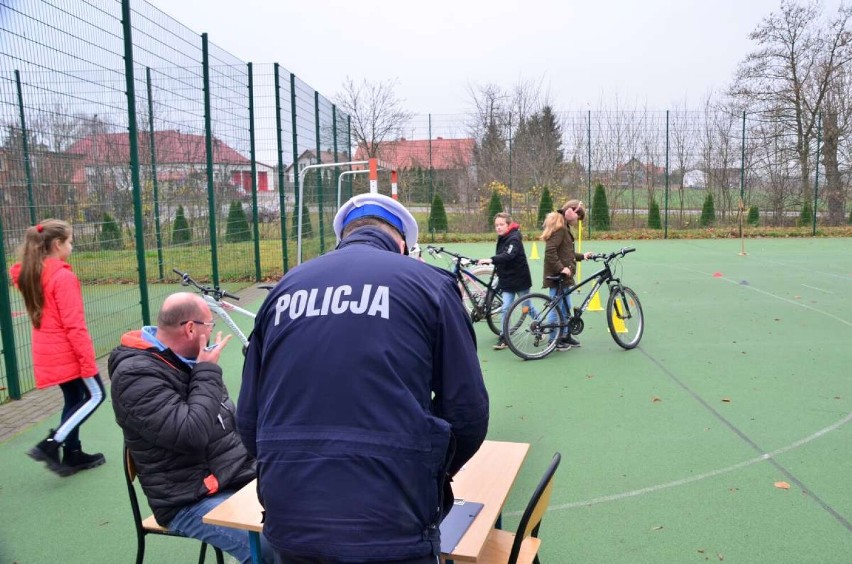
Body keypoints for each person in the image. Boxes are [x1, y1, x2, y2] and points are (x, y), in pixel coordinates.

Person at [238, 192, 490, 564]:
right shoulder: (429, 285)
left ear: (342, 239)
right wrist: (428, 472)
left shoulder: (284, 289)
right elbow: (468, 415)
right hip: (393, 521)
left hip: (290, 520)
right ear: (402, 244)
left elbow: (248, 421)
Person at [109, 292, 273, 564]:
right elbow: (190, 434)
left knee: (302, 519)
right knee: (269, 549)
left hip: (234, 476)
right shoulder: (135, 376)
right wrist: (206, 372)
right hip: (188, 499)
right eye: (210, 326)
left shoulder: (188, 361)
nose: (211, 333)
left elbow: (226, 423)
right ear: (190, 328)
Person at [10, 219, 106, 476]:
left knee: (74, 398)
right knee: (96, 396)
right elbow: (74, 326)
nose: (72, 247)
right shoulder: (62, 277)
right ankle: (52, 444)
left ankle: (73, 454)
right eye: (70, 242)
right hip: (68, 352)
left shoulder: (33, 273)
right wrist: (87, 361)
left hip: (50, 351)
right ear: (57, 245)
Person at [541, 200, 593, 351]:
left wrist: (583, 256)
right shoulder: (561, 229)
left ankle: (564, 335)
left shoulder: (564, 226)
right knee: (556, 307)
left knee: (565, 306)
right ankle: (553, 340)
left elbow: (567, 253)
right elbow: (550, 251)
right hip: (558, 277)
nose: (578, 221)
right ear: (571, 212)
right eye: (578, 216)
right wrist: (561, 268)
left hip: (563, 278)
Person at [477, 212, 533, 350]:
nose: (498, 227)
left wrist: (491, 260)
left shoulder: (514, 238)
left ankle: (540, 324)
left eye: (501, 224)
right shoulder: (503, 237)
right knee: (506, 308)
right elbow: (502, 256)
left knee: (527, 307)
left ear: (508, 225)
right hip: (507, 279)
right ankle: (504, 337)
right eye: (496, 225)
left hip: (519, 279)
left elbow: (508, 255)